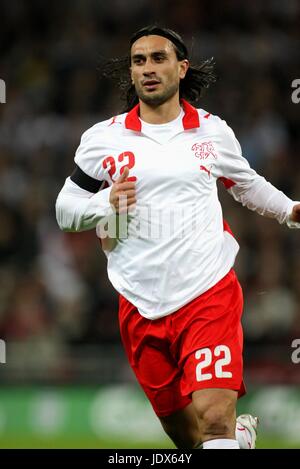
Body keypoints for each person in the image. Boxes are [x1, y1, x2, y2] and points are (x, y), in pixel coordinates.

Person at [55, 25, 300, 449]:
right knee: (187, 438)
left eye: (158, 58)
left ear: (182, 68)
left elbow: (245, 183)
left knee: (214, 419)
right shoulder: (102, 139)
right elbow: (65, 210)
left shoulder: (212, 132)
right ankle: (239, 439)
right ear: (131, 73)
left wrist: (290, 210)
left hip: (207, 292)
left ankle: (229, 433)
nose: (148, 68)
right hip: (139, 301)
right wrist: (104, 204)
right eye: (138, 61)